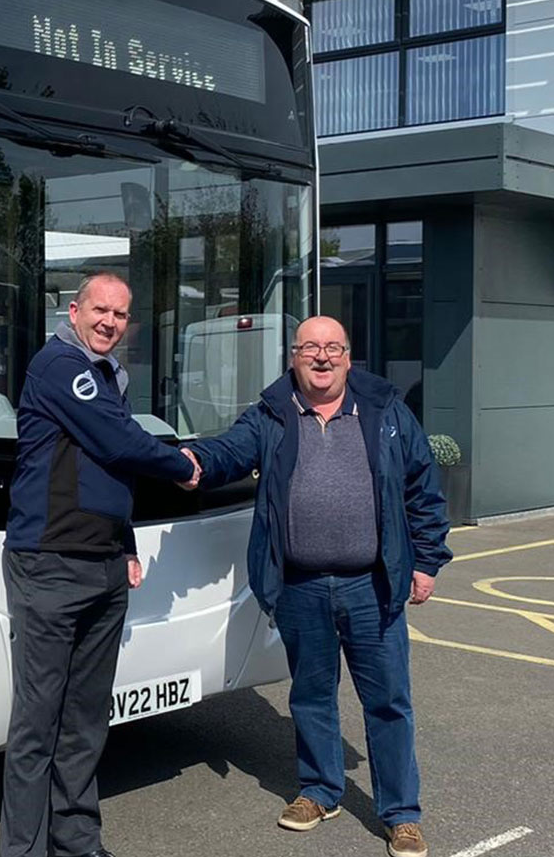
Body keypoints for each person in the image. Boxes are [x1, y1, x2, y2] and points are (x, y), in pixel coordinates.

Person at [182, 315, 450, 857]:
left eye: (332, 348)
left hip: (372, 586)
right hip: (301, 585)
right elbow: (228, 452)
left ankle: (400, 813)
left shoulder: (385, 412)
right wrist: (188, 461)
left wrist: (426, 562)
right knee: (310, 696)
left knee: (389, 703)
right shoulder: (272, 416)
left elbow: (423, 487)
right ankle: (320, 790)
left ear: (349, 357)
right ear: (293, 357)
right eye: (310, 348)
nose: (322, 357)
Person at [0, 271, 199, 857]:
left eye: (120, 314)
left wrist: (127, 542)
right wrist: (183, 464)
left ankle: (77, 840)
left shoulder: (108, 376)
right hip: (49, 565)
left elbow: (108, 472)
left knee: (86, 721)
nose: (110, 322)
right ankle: (24, 851)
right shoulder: (60, 366)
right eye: (100, 310)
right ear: (75, 310)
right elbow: (116, 442)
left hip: (105, 565)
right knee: (38, 725)